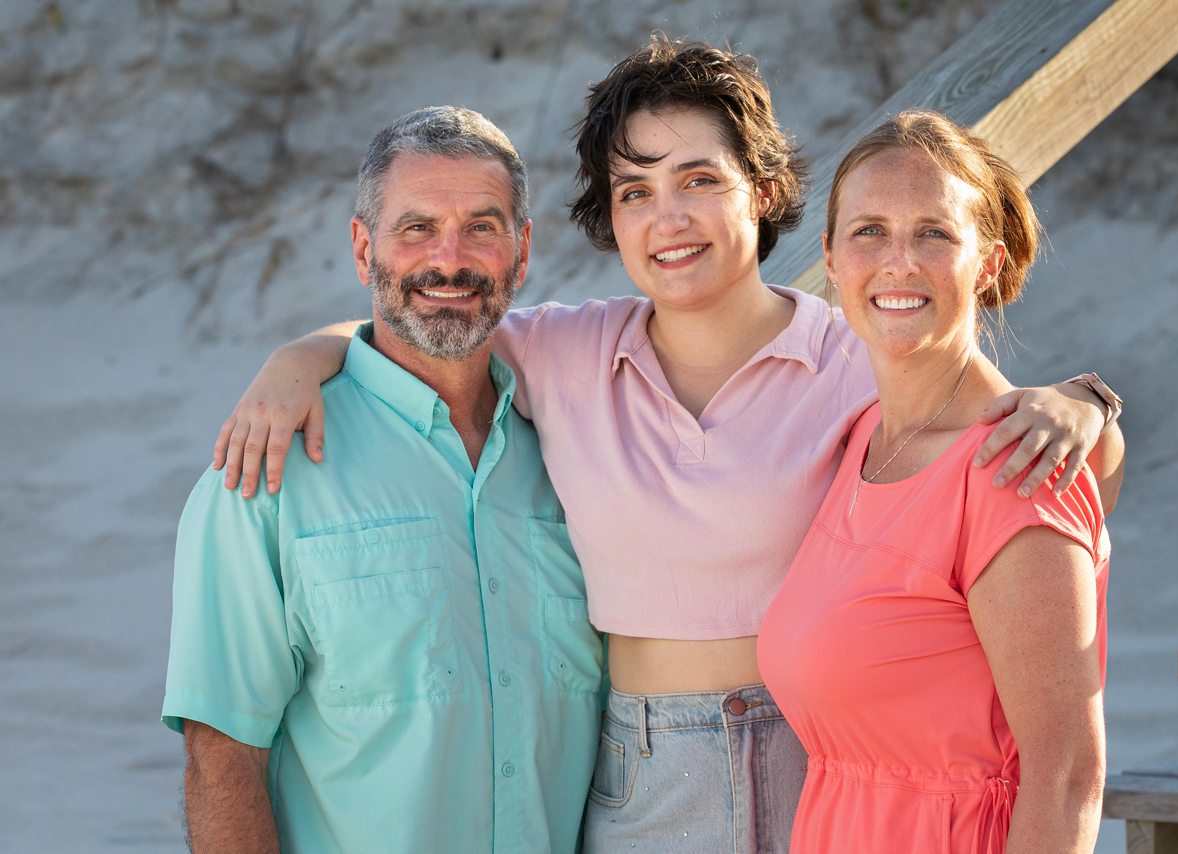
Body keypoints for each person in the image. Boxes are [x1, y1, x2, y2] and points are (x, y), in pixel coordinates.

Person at [211, 40, 1123, 852]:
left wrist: (1086, 407)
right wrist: (305, 355)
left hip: (819, 755)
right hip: (640, 770)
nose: (668, 218)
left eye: (699, 180)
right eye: (634, 192)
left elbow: (1023, 465)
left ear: (761, 192)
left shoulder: (855, 353)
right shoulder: (564, 350)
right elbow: (433, 314)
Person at [161, 107, 603, 854]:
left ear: (522, 252)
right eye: (417, 228)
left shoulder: (576, 452)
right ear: (365, 248)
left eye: (483, 228)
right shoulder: (270, 468)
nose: (450, 260)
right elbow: (222, 754)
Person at [757, 111, 1117, 853]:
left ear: (987, 261)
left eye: (934, 233)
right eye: (869, 232)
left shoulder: (1009, 471)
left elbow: (1068, 777)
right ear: (830, 257)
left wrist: (1093, 404)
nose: (898, 262)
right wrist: (1096, 399)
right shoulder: (864, 440)